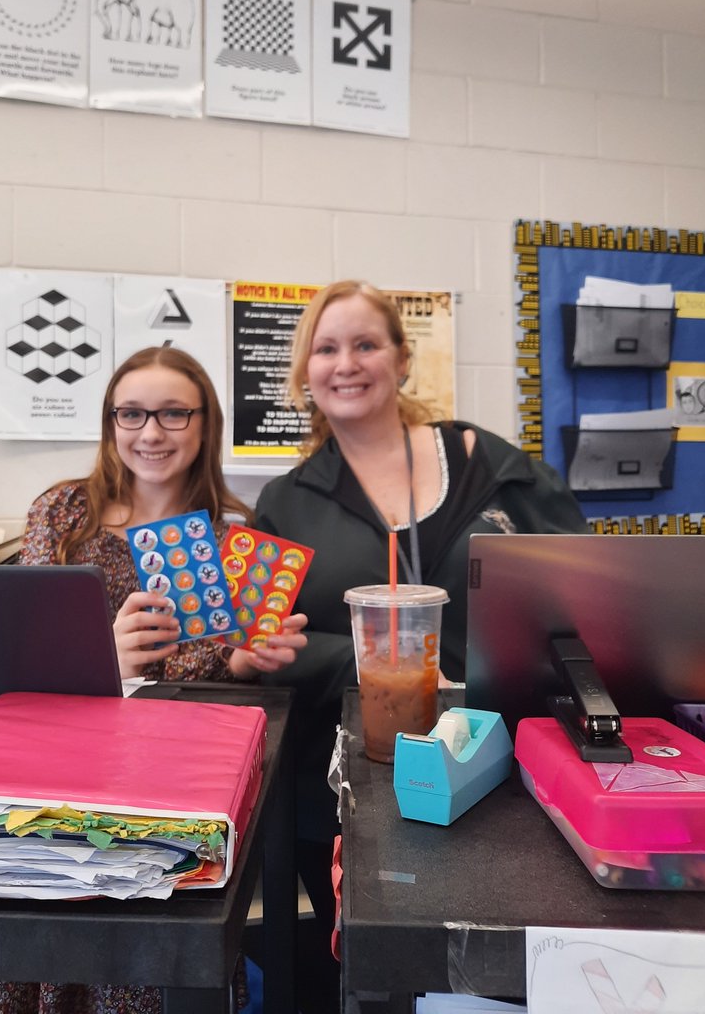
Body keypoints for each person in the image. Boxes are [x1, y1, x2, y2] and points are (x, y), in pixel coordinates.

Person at [254, 279, 588, 1010]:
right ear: (306, 373)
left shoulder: (486, 462)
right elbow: (272, 647)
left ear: (402, 361)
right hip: (346, 795)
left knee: (496, 982)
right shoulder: (287, 502)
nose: (347, 363)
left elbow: (584, 587)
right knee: (383, 982)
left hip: (503, 776)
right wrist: (289, 657)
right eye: (327, 348)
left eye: (366, 344)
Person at [0, 345, 307, 1014]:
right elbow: (28, 664)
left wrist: (245, 661)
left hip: (171, 785)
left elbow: (218, 671)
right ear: (110, 422)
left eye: (173, 413)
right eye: (131, 413)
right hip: (59, 775)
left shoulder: (234, 535)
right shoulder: (64, 514)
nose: (150, 433)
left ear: (204, 423)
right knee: (39, 951)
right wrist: (105, 661)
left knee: (151, 967)